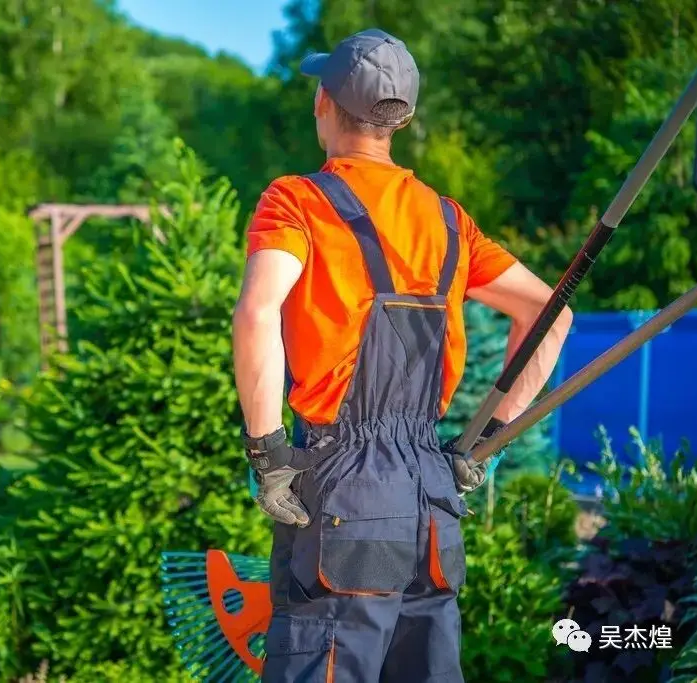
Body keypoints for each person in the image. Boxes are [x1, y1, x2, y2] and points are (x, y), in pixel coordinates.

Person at [231, 28, 573, 683]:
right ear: (402, 119)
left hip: (344, 491)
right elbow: (548, 311)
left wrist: (268, 452)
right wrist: (488, 435)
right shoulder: (446, 219)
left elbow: (256, 312)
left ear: (322, 104)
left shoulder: (295, 201)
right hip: (430, 503)